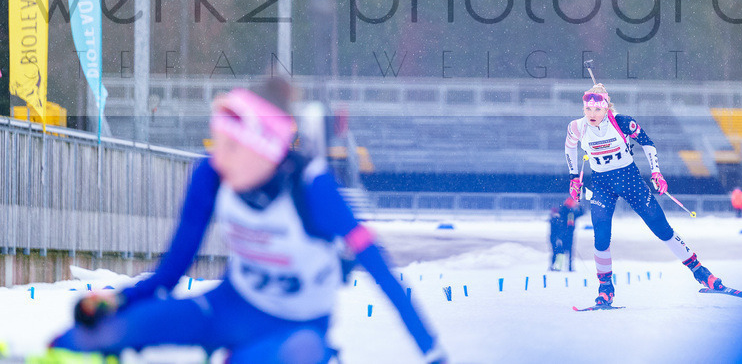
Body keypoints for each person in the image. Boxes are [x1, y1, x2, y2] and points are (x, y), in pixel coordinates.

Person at [48, 78, 446, 363]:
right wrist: (119, 301)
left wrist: (431, 351)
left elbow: (379, 269)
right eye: (217, 141)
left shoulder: (313, 188)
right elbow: (171, 272)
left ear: (265, 149)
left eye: (232, 146)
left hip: (299, 329)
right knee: (91, 337)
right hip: (229, 307)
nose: (217, 156)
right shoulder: (211, 175)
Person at [565, 84, 726, 307]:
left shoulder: (622, 122)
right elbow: (569, 147)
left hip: (629, 179)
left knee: (661, 227)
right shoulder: (577, 127)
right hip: (602, 184)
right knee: (601, 237)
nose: (592, 114)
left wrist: (656, 172)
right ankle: (605, 289)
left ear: (607, 108)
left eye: (597, 109)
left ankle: (701, 272)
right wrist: (574, 177)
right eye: (587, 109)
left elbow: (648, 144)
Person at [548, 197, 582, 271]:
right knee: (564, 251)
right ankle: (563, 266)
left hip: (565, 234)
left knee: (560, 251)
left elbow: (580, 213)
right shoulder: (567, 212)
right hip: (565, 234)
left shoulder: (568, 212)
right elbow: (580, 213)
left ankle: (559, 266)